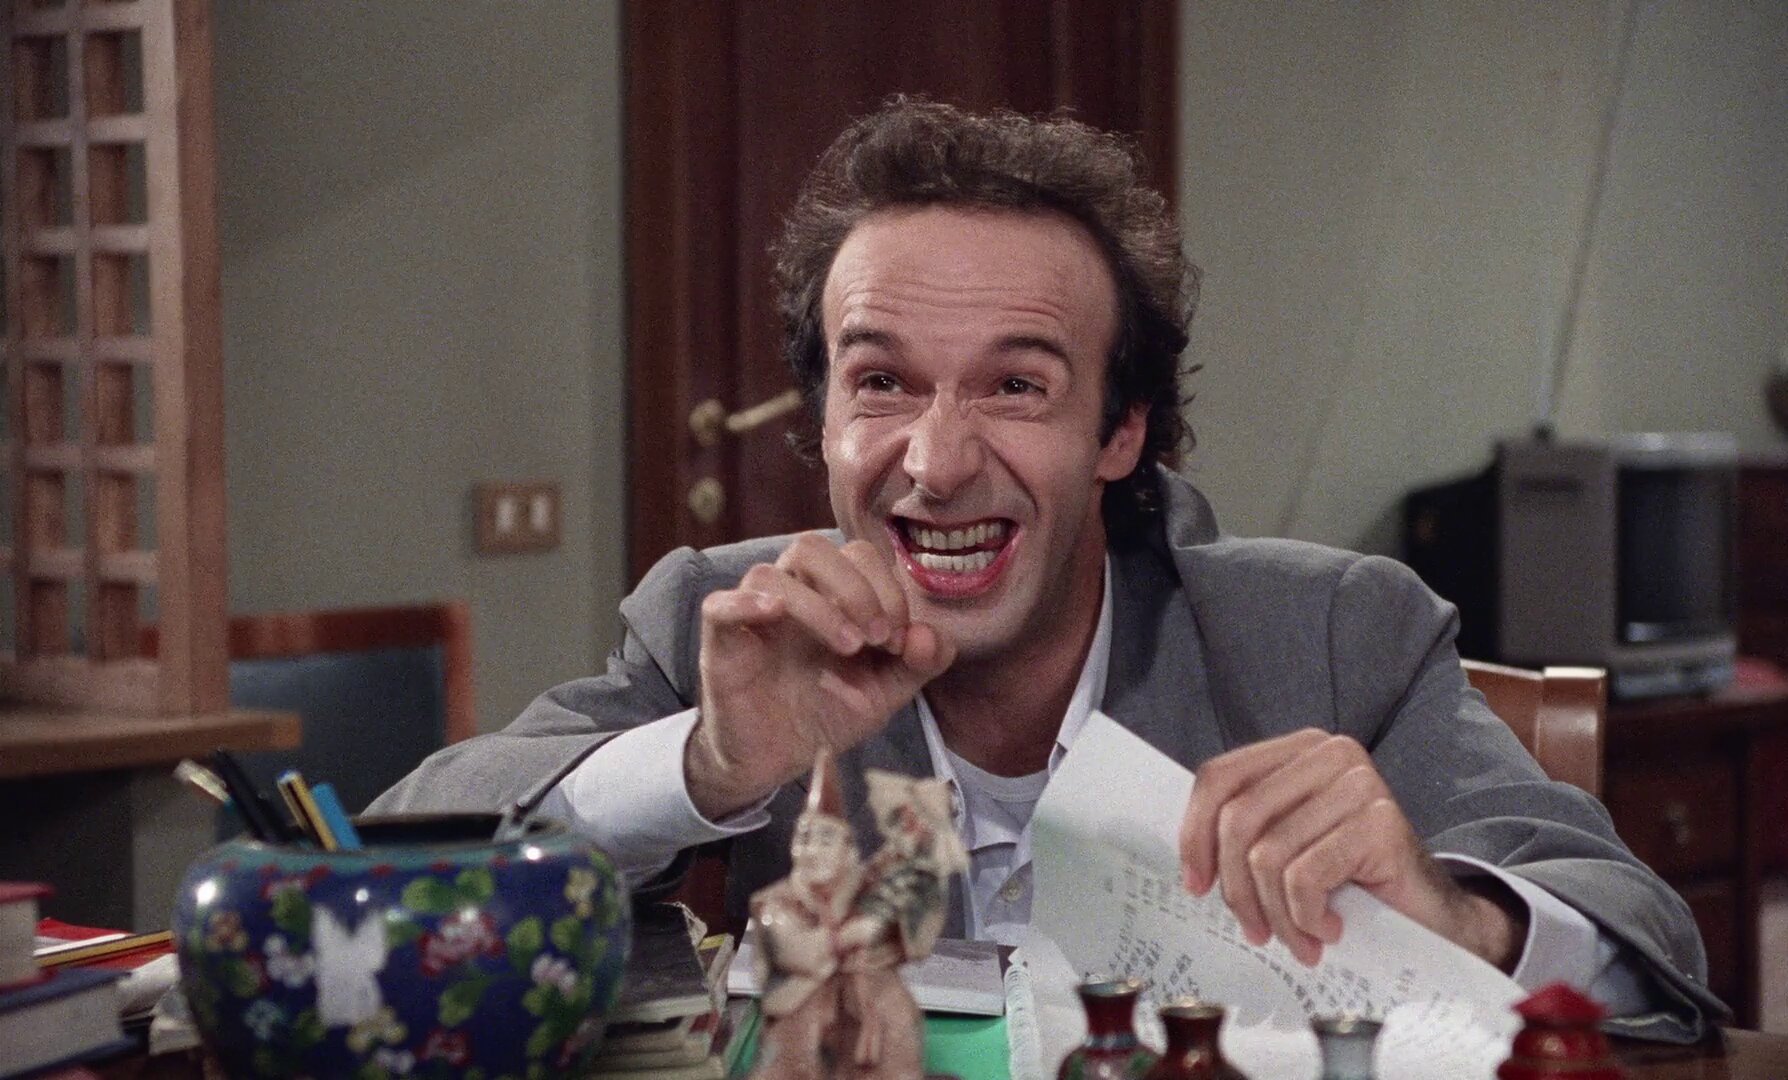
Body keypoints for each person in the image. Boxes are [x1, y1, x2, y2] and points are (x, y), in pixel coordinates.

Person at [371, 98, 1723, 1042]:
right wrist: (705, 765)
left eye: (1016, 386)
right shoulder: (719, 626)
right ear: (822, 422)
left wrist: (1454, 917)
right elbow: (382, 873)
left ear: (1119, 433)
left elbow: (1653, 950)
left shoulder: (1332, 633)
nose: (938, 461)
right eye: (881, 381)